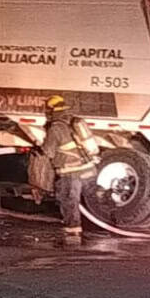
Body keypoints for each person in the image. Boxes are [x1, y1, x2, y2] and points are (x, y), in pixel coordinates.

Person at [41, 95, 99, 241]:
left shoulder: (56, 127)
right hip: (89, 169)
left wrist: (40, 146)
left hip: (71, 172)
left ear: (51, 110)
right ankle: (102, 225)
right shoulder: (74, 121)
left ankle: (73, 233)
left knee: (69, 200)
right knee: (94, 199)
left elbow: (48, 151)